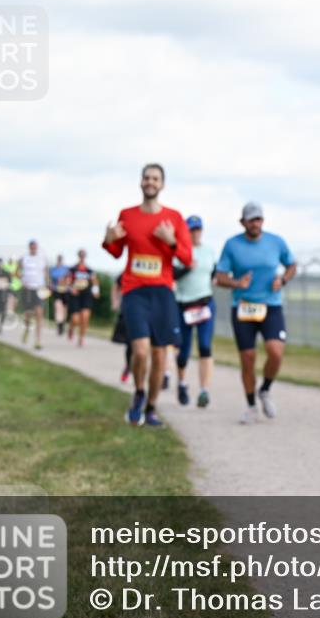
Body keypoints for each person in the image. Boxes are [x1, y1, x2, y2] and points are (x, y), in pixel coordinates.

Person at [102, 163, 191, 427]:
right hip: (135, 290)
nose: (150, 182)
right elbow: (115, 251)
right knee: (140, 352)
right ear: (141, 182)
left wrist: (171, 240)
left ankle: (151, 408)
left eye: (155, 178)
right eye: (147, 178)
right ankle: (139, 393)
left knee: (160, 355)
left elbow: (187, 258)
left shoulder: (173, 218)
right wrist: (107, 239)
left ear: (162, 185)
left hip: (162, 291)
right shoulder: (127, 215)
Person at [215, 201, 296, 424]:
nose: (255, 223)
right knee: (248, 358)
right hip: (243, 307)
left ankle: (265, 389)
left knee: (276, 352)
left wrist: (283, 279)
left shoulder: (276, 242)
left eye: (258, 219)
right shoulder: (232, 245)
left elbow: (292, 264)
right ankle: (251, 406)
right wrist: (237, 283)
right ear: (243, 222)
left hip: (271, 305)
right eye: (251, 220)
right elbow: (220, 277)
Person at [173, 215, 218, 408]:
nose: (195, 233)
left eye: (198, 229)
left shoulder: (208, 251)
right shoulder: (179, 252)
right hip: (184, 305)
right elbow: (172, 274)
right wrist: (187, 269)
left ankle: (204, 391)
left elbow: (214, 272)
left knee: (205, 347)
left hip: (205, 304)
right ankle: (182, 383)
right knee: (183, 352)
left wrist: (214, 279)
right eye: (191, 230)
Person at [18, 240, 49, 350]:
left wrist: (47, 285)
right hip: (27, 289)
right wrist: (22, 281)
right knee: (28, 314)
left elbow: (46, 273)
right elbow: (17, 272)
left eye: (35, 247)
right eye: (32, 247)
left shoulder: (42, 259)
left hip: (39, 289)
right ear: (29, 248)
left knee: (39, 313)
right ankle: (27, 328)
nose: (34, 249)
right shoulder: (23, 259)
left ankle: (38, 340)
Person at [66, 249, 99, 347]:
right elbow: (67, 282)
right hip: (75, 296)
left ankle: (81, 338)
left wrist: (96, 291)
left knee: (85, 317)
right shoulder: (72, 269)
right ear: (78, 256)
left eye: (83, 255)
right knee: (76, 319)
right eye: (81, 255)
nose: (82, 257)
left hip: (86, 295)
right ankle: (71, 327)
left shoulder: (90, 271)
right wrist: (71, 289)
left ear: (85, 256)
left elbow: (95, 282)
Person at [111, 272, 133, 383]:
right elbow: (116, 285)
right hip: (129, 309)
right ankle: (128, 366)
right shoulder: (128, 271)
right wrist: (115, 301)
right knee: (131, 344)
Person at [49, 254, 70, 336]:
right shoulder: (53, 269)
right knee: (58, 308)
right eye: (59, 259)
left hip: (65, 291)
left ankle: (62, 324)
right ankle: (59, 324)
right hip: (56, 291)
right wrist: (50, 287)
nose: (60, 261)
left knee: (64, 310)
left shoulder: (66, 269)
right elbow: (50, 280)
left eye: (61, 260)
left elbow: (69, 279)